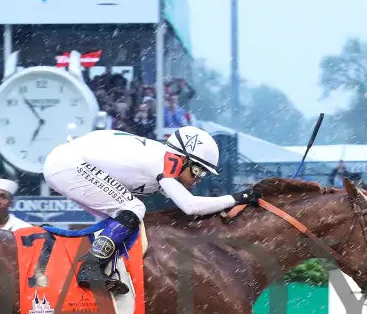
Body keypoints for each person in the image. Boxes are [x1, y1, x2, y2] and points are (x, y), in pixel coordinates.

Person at [42, 126, 251, 294]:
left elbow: (193, 208)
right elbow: (189, 206)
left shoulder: (166, 158)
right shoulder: (166, 161)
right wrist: (237, 198)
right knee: (133, 207)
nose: (197, 180)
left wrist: (222, 209)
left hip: (66, 162)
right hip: (68, 164)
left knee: (123, 217)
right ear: (182, 159)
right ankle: (91, 267)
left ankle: (97, 262)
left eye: (203, 175)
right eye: (197, 171)